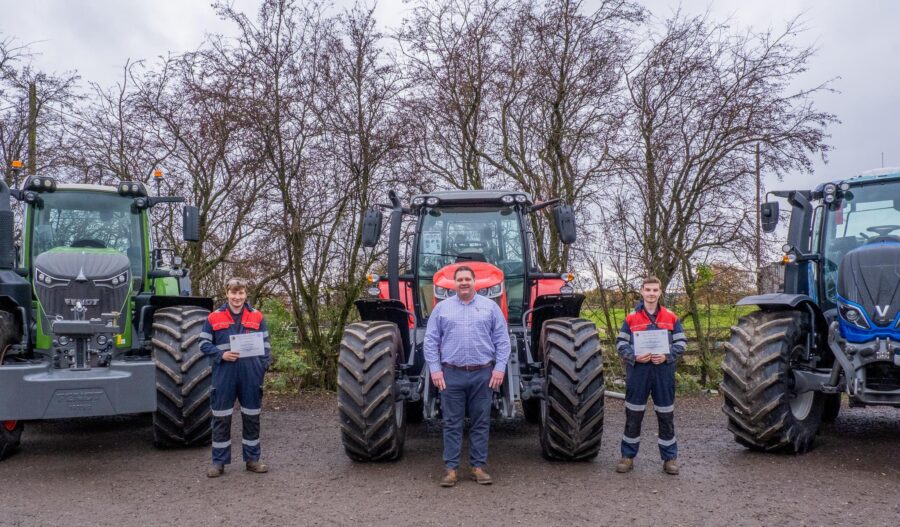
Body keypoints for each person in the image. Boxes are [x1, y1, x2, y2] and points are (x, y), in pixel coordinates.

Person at [424, 265, 510, 487]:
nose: (464, 283)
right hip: (451, 373)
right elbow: (431, 341)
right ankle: (451, 470)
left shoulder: (490, 307)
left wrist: (499, 368)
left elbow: (502, 340)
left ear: (474, 283)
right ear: (454, 283)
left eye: (467, 279)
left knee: (481, 422)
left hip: (483, 373)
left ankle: (478, 467)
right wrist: (435, 369)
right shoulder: (442, 309)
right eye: (460, 279)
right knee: (452, 423)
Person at [200, 277, 272, 477]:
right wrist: (221, 355)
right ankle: (218, 463)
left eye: (240, 293)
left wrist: (262, 368)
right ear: (227, 294)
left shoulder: (257, 316)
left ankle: (252, 460)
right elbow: (203, 344)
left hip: (251, 374)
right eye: (233, 293)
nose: (237, 297)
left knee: (252, 417)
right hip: (225, 372)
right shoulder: (213, 317)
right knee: (221, 418)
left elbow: (266, 346)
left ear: (245, 294)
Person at [615, 276, 687, 475]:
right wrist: (635, 356)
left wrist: (667, 356)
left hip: (663, 371)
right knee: (633, 414)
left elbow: (682, 343)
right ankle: (627, 457)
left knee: (666, 415)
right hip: (638, 371)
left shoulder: (671, 317)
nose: (651, 294)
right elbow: (620, 344)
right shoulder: (631, 318)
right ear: (642, 291)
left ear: (660, 292)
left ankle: (670, 458)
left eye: (655, 290)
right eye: (648, 290)